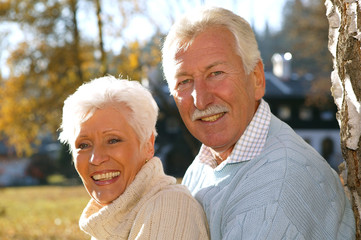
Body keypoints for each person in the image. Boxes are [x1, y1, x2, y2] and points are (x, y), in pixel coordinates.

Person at [162, 6, 355, 239]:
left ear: (257, 79)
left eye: (216, 73)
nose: (200, 100)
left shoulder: (273, 191)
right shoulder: (206, 164)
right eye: (184, 81)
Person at [58, 76, 209, 239]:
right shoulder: (109, 222)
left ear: (148, 145)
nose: (96, 158)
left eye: (113, 140)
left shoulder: (170, 207)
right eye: (83, 145)